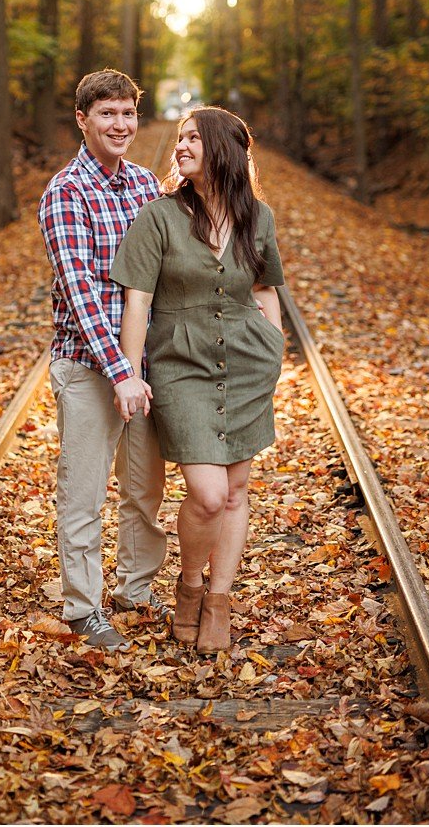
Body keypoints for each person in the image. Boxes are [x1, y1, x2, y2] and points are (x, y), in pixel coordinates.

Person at [111, 106, 286, 654]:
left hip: (247, 363)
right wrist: (130, 374)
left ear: (223, 150)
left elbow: (264, 291)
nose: (180, 146)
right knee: (208, 494)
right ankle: (190, 585)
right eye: (179, 137)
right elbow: (137, 302)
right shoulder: (158, 217)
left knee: (236, 492)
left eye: (193, 138)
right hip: (179, 363)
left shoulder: (259, 218)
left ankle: (219, 600)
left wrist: (274, 353)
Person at [38, 69, 169, 651]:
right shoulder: (66, 192)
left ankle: (135, 590)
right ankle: (82, 609)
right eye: (107, 115)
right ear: (83, 120)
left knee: (143, 488)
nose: (120, 126)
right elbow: (80, 290)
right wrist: (121, 372)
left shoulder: (145, 184)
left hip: (142, 365)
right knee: (84, 492)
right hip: (89, 366)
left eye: (127, 114)